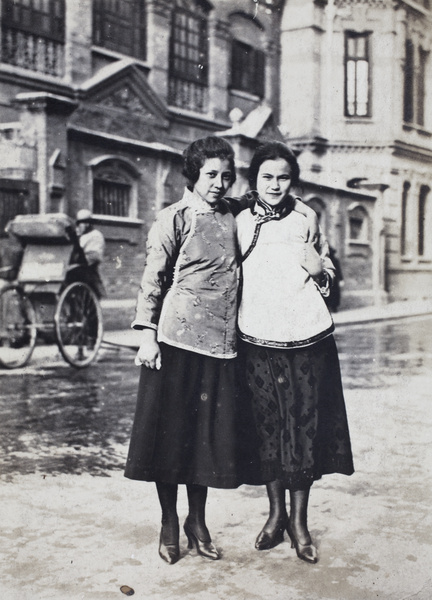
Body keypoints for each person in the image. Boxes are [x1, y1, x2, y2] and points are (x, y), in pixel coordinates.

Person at [124, 136, 260, 565]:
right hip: (176, 343)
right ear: (193, 176)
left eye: (226, 176)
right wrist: (147, 336)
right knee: (171, 439)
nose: (219, 183)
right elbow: (153, 278)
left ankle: (196, 522)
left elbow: (269, 198)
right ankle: (169, 523)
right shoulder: (174, 218)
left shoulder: (232, 213)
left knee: (204, 440)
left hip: (221, 347)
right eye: (210, 175)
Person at [236, 141, 354, 564]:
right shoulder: (239, 220)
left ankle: (300, 523)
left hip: (307, 335)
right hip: (256, 337)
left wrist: (321, 270)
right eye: (267, 176)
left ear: (292, 181)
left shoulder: (307, 216)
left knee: (303, 425)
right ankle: (275, 516)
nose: (274, 184)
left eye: (283, 177)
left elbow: (326, 276)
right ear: (254, 178)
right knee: (269, 426)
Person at [67, 209, 105, 297]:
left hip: (87, 271)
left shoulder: (95, 235)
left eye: (80, 224)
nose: (78, 227)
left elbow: (94, 257)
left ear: (88, 224)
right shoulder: (81, 236)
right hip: (76, 268)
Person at [325, 246, 344, 312]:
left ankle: (333, 308)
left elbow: (338, 270)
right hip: (330, 280)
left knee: (333, 294)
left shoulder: (334, 260)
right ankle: (331, 307)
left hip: (332, 280)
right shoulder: (326, 261)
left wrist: (341, 279)